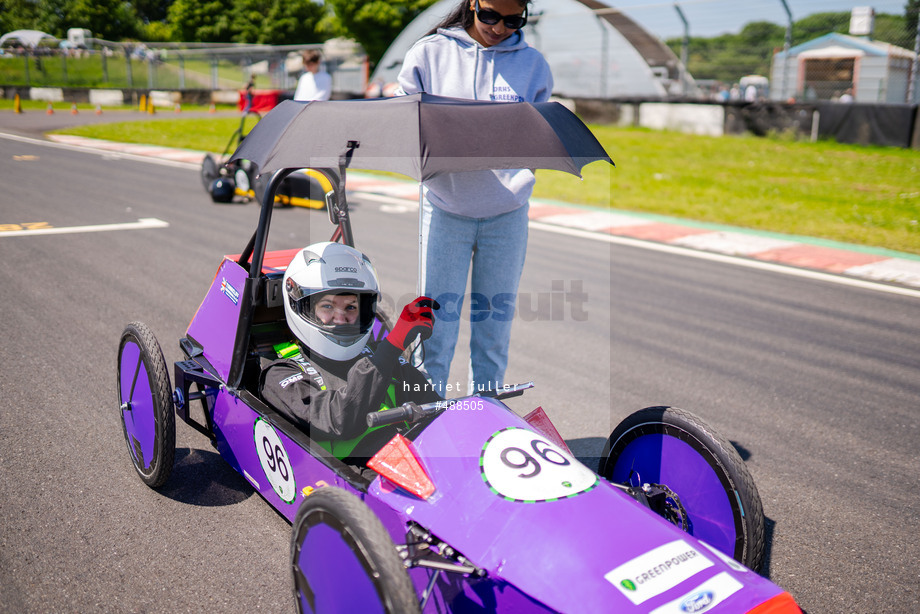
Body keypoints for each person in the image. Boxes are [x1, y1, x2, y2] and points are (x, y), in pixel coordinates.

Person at [396, 0, 552, 396]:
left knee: (493, 330)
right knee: (435, 331)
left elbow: (542, 133)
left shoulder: (532, 64)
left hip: (508, 214)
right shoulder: (429, 54)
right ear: (473, 3)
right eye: (490, 16)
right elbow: (399, 123)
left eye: (513, 20)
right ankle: (426, 421)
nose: (500, 28)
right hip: (446, 209)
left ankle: (485, 413)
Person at [260, 242, 440, 463]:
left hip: (414, 459)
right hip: (356, 480)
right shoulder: (280, 373)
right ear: (301, 305)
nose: (340, 318)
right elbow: (339, 420)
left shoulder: (378, 357)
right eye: (327, 306)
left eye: (351, 307)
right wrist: (391, 347)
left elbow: (436, 408)